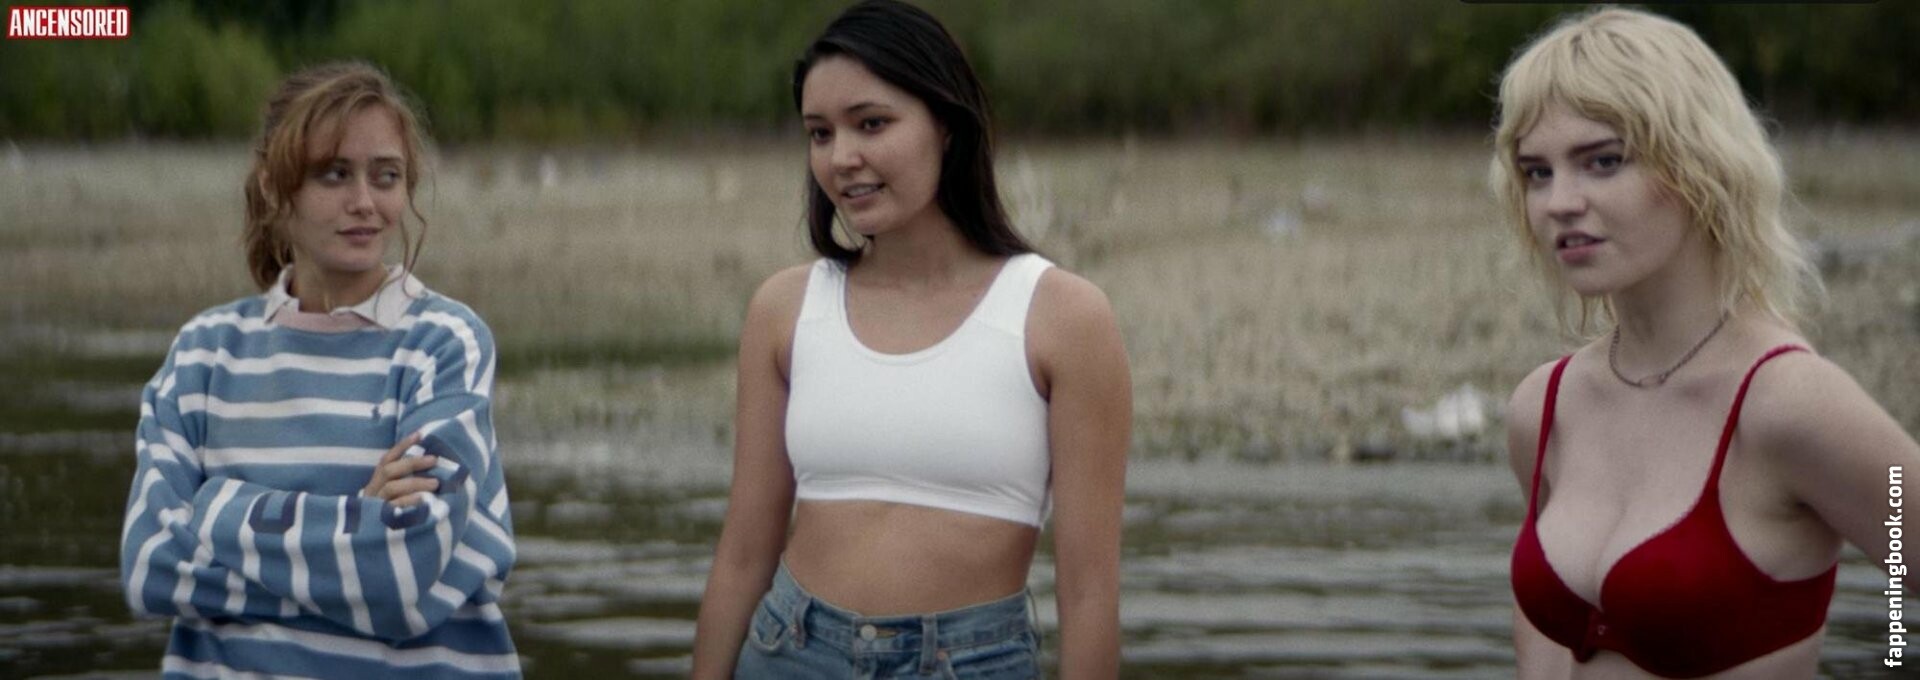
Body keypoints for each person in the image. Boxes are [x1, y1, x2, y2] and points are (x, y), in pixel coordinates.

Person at [689, 1, 1132, 678]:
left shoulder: (1062, 317)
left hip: (970, 662)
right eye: (819, 133)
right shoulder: (785, 309)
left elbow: (1090, 593)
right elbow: (744, 555)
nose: (842, 158)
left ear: (946, 124)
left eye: (871, 123)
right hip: (791, 653)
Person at [1492, 8, 1920, 679]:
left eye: (1602, 161)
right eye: (1536, 172)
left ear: (1699, 165)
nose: (1559, 202)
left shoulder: (1789, 403)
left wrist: (1893, 649)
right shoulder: (1544, 407)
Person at [118, 62, 519, 678]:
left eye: (386, 176)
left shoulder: (444, 344)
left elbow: (400, 571)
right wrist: (358, 520)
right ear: (275, 187)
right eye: (334, 174)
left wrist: (218, 507)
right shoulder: (203, 354)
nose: (364, 202)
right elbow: (150, 564)